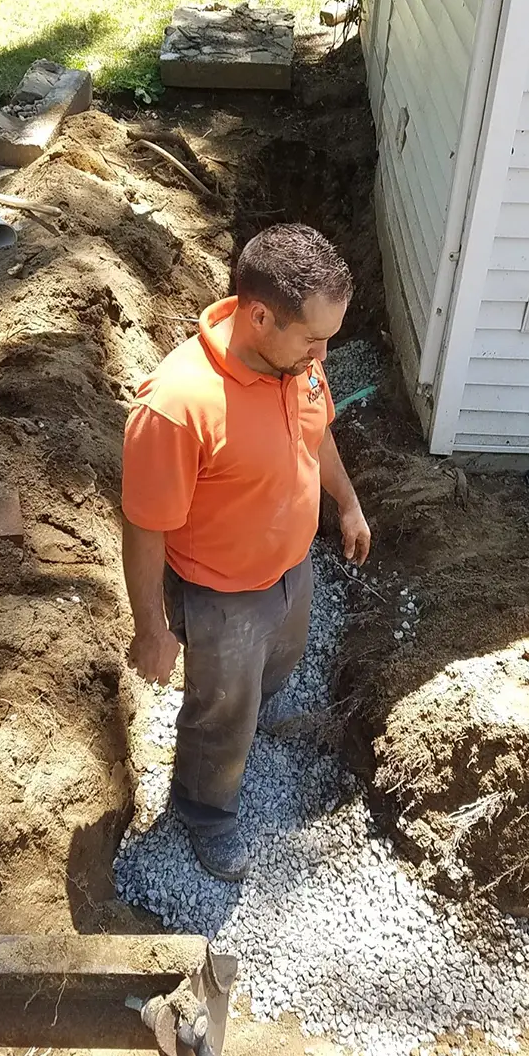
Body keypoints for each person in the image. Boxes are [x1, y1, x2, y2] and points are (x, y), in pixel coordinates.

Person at [121, 223, 370, 881]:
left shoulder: (299, 362)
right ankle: (205, 809)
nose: (323, 353)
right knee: (220, 712)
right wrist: (151, 628)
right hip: (222, 596)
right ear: (259, 316)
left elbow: (317, 440)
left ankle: (255, 712)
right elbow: (144, 526)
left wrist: (346, 503)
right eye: (313, 337)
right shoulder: (180, 407)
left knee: (275, 667)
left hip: (292, 568)